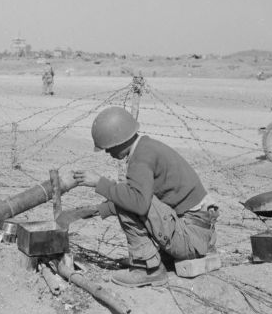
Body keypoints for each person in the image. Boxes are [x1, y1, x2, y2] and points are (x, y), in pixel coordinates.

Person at [73, 106, 218, 288]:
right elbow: (139, 195)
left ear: (118, 140)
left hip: (192, 238)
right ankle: (153, 262)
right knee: (126, 195)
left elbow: (138, 203)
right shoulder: (146, 148)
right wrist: (99, 210)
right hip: (197, 232)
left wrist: (99, 183)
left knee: (129, 202)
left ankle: (147, 269)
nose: (107, 153)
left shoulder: (141, 158)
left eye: (107, 148)